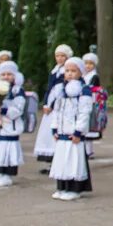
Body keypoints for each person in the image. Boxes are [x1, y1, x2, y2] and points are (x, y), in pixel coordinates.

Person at [50, 57, 93, 201]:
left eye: (73, 71)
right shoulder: (60, 89)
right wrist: (54, 129)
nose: (69, 73)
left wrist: (78, 131)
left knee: (74, 160)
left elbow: (84, 112)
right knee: (62, 161)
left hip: (74, 134)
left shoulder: (84, 90)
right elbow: (56, 110)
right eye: (67, 70)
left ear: (80, 72)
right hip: (62, 133)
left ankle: (75, 189)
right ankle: (62, 187)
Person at [0, 61, 27, 188]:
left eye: (9, 74)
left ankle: (7, 175)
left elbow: (18, 109)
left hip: (11, 125)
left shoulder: (17, 90)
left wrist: (3, 110)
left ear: (15, 76)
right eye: (3, 74)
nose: (6, 77)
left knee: (9, 150)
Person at [33, 44, 72, 174]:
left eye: (62, 56)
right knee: (47, 135)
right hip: (49, 106)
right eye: (57, 56)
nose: (59, 58)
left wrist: (52, 105)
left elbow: (61, 90)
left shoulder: (66, 72)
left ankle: (58, 162)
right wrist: (45, 104)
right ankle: (50, 163)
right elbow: (50, 89)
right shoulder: (54, 70)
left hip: (58, 107)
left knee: (56, 133)